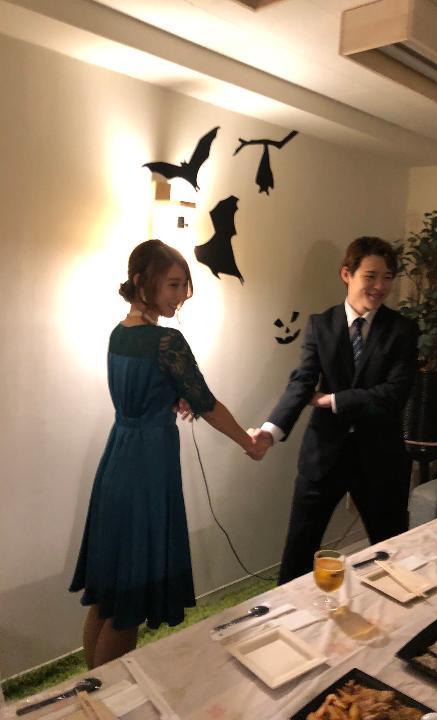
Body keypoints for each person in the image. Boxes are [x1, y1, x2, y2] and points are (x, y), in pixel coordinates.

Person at [70, 239, 266, 668]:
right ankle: (105, 697)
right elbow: (207, 403)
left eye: (182, 286)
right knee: (129, 602)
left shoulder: (118, 333)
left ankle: (90, 693)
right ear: (143, 282)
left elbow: (146, 392)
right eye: (173, 285)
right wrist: (247, 441)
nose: (180, 296)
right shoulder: (167, 341)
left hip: (118, 458)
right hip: (148, 468)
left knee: (108, 595)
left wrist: (170, 397)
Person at [251, 236, 419, 583]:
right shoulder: (320, 325)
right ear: (347, 274)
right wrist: (269, 432)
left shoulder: (402, 330)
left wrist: (334, 400)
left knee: (391, 550)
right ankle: (288, 612)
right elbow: (302, 382)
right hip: (323, 454)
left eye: (388, 277)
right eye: (370, 276)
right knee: (299, 550)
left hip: (380, 457)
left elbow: (395, 394)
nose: (380, 286)